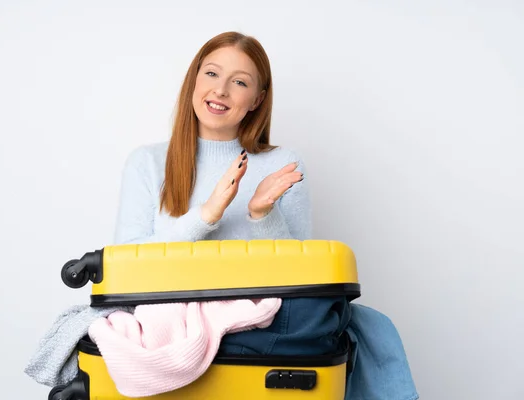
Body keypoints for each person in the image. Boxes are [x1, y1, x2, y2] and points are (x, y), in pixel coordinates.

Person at [113, 31, 419, 400]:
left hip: (262, 327)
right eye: (211, 74)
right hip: (173, 322)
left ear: (257, 99)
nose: (221, 90)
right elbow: (125, 270)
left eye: (239, 82)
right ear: (194, 79)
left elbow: (302, 283)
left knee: (330, 314)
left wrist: (262, 213)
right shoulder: (147, 163)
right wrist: (207, 215)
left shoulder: (280, 165)